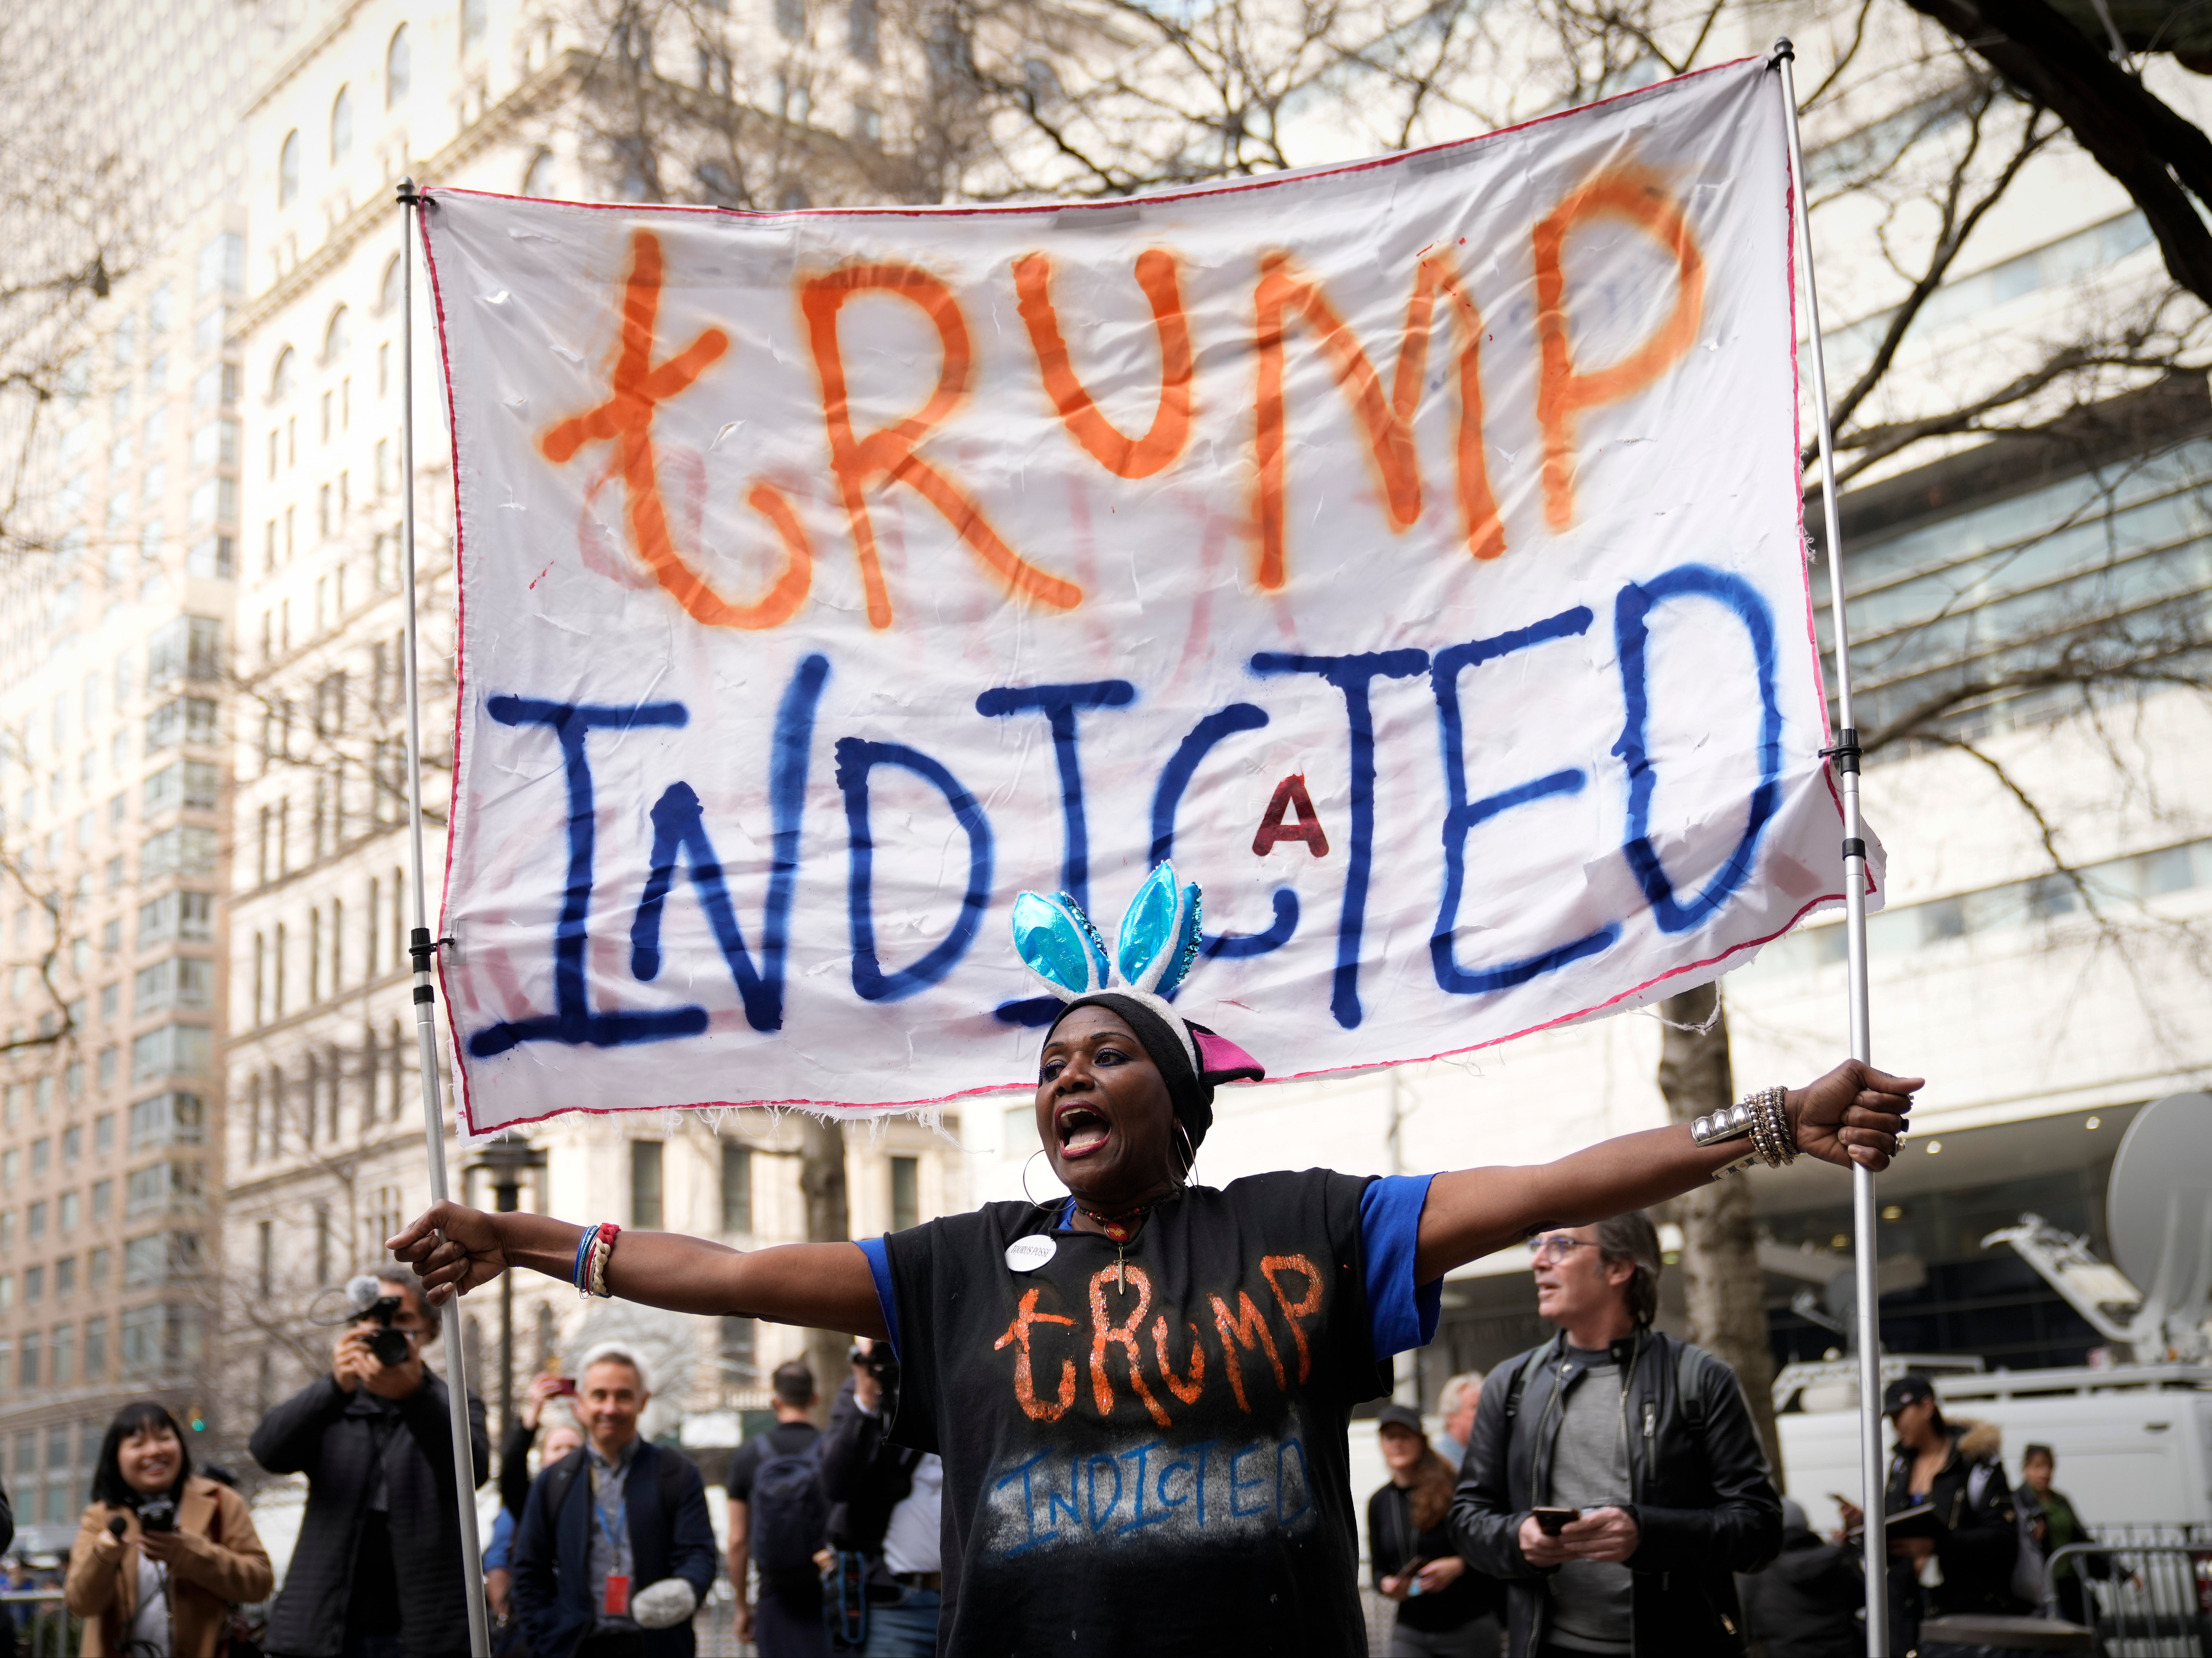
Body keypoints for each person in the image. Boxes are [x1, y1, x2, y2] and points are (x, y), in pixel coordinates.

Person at [389, 865, 1916, 1654]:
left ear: (1176, 1100)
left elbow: (1551, 1180)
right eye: (1051, 1057)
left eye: (1105, 1050)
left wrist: (1770, 1115)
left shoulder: (1305, 1225)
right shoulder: (961, 1262)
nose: (1065, 1074)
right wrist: (520, 1233)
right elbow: (726, 1267)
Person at [1451, 1209, 1784, 1657]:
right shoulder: (1511, 1384)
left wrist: (1647, 1534)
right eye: (1537, 1245)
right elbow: (1468, 1520)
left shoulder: (1701, 1379)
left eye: (1562, 1245)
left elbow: (1760, 1530)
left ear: (1619, 1267)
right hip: (1550, 1647)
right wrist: (1518, 1538)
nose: (1539, 1260)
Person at [251, 1266, 491, 1658]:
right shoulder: (334, 1403)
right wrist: (333, 1387)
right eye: (374, 1319)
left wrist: (415, 1397)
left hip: (423, 1632)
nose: (386, 1331)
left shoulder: (453, 1403)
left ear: (429, 1331)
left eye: (402, 1320)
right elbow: (267, 1451)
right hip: (327, 1629)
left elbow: (472, 1472)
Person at [509, 1344, 718, 1658]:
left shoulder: (676, 1473)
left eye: (623, 1396)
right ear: (580, 1403)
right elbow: (529, 1569)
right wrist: (546, 1636)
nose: (610, 1408)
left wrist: (682, 1593)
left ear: (643, 1401)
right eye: (599, 1395)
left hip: (657, 1645)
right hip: (575, 1646)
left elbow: (699, 1553)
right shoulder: (554, 1480)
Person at [65, 1400, 275, 1657]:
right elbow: (80, 1604)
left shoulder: (221, 1501)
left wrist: (190, 1554)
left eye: (164, 1438)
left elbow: (260, 1583)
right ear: (116, 1457)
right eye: (138, 1444)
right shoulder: (100, 1516)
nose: (154, 1451)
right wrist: (103, 1557)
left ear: (181, 1446)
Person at [1835, 1375, 2019, 1655]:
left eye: (1900, 1414)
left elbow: (2004, 1539)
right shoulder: (1900, 1468)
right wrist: (1864, 1526)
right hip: (1904, 1617)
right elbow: (1893, 1530)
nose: (1896, 1425)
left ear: (1927, 1407)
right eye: (1891, 1417)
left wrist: (1937, 1547)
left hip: (1962, 1618)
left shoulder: (1975, 1463)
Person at [819, 1339, 945, 1657]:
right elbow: (837, 1483)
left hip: (966, 1601)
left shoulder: (964, 1385)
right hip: (898, 1606)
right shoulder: (872, 1392)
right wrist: (866, 1395)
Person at [1367, 1403, 1502, 1658]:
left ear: (1421, 1441)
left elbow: (1492, 1549)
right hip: (1411, 1631)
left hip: (1467, 1626)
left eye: (1404, 1436)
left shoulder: (1454, 1489)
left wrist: (1459, 1566)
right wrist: (1387, 1585)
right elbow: (1378, 1570)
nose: (1397, 1444)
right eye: (1390, 1437)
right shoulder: (1380, 1502)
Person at [726, 1360, 829, 1658]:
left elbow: (737, 1541)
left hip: (775, 1597)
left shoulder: (749, 1456)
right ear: (814, 1399)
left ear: (775, 1401)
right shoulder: (832, 1449)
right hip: (826, 1595)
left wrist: (742, 1607)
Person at [493, 1375, 588, 1631]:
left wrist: (589, 1420)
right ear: (543, 1458)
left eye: (573, 1448)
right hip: (543, 1619)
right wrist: (532, 1413)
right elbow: (511, 1471)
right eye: (557, 1448)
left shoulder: (599, 1497)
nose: (565, 1454)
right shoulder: (533, 1501)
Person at [1735, 1498, 1861, 1658]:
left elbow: (1746, 1622)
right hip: (1843, 1650)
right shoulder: (1834, 1558)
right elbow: (1862, 1598)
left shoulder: (1759, 1568)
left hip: (1786, 1652)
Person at [2017, 1443, 2112, 1626]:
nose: (2044, 1473)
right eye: (2037, 1467)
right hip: (2038, 1586)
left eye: (2048, 1467)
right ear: (2025, 1469)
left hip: (2068, 1582)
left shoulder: (2060, 1500)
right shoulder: (2018, 1500)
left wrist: (2121, 1571)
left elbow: (2082, 1539)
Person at [1433, 1374, 1484, 1473]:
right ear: (1451, 1415)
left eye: (1485, 1406)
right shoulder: (1438, 1463)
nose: (1483, 1413)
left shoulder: (1482, 1456)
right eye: (1475, 1407)